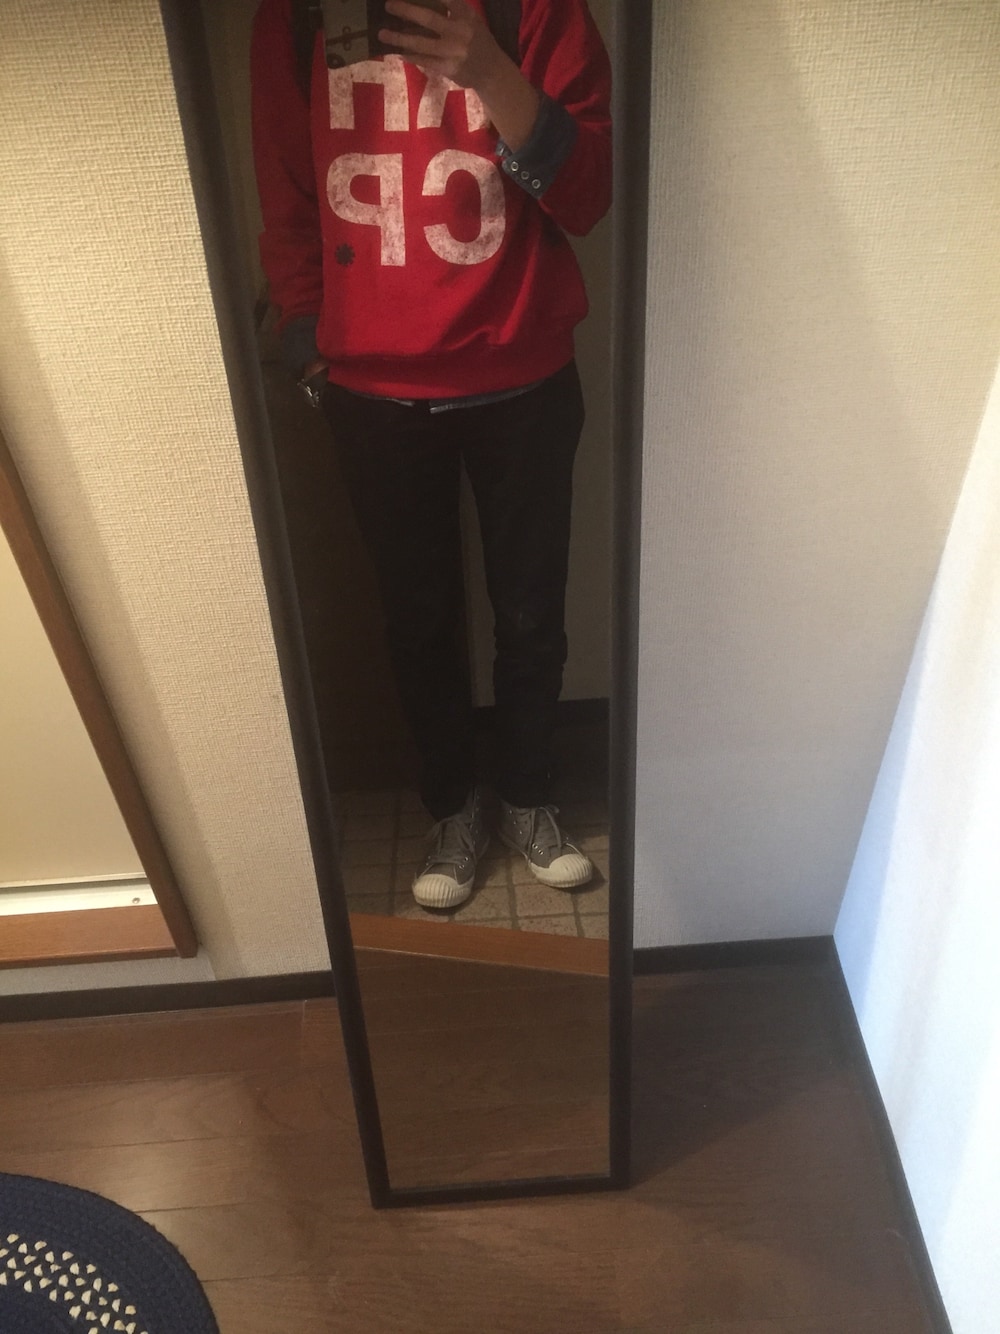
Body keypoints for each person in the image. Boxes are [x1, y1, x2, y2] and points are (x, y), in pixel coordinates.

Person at [251, 0, 612, 909]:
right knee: (417, 624)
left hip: (523, 373)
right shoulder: (295, 15)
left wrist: (490, 72)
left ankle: (528, 795)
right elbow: (285, 191)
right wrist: (305, 339)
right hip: (372, 387)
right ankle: (453, 806)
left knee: (531, 616)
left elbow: (589, 195)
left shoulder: (534, 7)